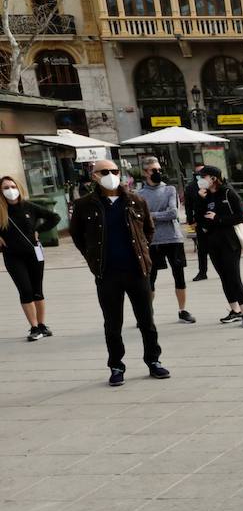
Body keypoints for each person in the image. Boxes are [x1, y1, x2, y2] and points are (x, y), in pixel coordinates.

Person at [68, 159, 171, 386]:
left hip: (137, 270)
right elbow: (77, 236)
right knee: (112, 323)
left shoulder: (135, 200)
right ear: (94, 175)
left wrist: (141, 254)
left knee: (147, 321)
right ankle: (116, 365)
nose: (111, 175)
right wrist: (93, 258)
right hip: (107, 273)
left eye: (114, 171)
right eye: (104, 172)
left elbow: (148, 231)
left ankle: (153, 361)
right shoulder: (85, 204)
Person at [136, 156, 195, 323]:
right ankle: (148, 312)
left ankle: (182, 310)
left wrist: (151, 215)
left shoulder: (170, 189)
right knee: (150, 279)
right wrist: (153, 216)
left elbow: (173, 213)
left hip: (173, 239)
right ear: (145, 172)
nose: (158, 173)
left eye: (159, 170)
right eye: (154, 170)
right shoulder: (139, 194)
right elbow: (139, 217)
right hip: (152, 241)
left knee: (179, 276)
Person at [0, 176, 60, 341]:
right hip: (13, 256)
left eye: (12, 186)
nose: (10, 190)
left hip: (34, 254)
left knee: (37, 290)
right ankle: (34, 327)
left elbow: (55, 217)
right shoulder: (1, 211)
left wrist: (39, 230)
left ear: (18, 188)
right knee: (25, 290)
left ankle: (42, 325)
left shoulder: (29, 207)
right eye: (5, 187)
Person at [195, 165, 243, 328]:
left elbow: (241, 216)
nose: (200, 180)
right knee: (224, 278)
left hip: (230, 243)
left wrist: (218, 218)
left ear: (213, 178)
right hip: (212, 244)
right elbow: (198, 218)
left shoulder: (228, 192)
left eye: (203, 177)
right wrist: (200, 199)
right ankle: (234, 311)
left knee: (234, 277)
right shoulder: (205, 196)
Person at [185, 162, 209, 281]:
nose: (201, 175)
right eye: (198, 173)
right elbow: (188, 205)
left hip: (213, 220)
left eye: (203, 172)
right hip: (200, 220)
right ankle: (202, 271)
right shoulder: (191, 187)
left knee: (218, 247)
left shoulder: (212, 185)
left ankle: (224, 269)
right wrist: (190, 220)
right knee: (202, 248)